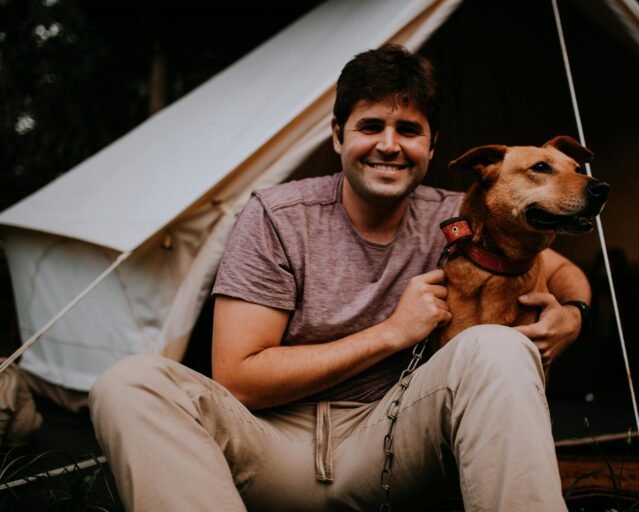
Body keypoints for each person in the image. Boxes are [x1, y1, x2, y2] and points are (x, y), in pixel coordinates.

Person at [90, 44, 589, 511]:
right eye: (370, 126)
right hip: (271, 445)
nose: (389, 146)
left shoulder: (456, 217)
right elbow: (239, 379)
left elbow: (563, 270)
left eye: (409, 131)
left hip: (390, 441)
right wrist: (391, 333)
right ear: (338, 135)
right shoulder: (278, 216)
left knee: (497, 347)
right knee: (129, 381)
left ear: (433, 146)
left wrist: (573, 314)